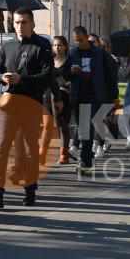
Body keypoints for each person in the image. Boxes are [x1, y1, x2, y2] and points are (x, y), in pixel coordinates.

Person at [0, 8, 52, 209]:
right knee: (2, 146)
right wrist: (1, 77)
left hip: (31, 104)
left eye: (24, 22)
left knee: (30, 147)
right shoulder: (8, 46)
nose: (20, 26)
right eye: (17, 23)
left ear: (32, 23)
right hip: (9, 102)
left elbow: (47, 77)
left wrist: (23, 79)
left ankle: (30, 189)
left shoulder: (42, 47)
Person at [68, 26, 117, 172]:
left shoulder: (99, 53)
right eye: (76, 41)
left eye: (81, 40)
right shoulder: (73, 53)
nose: (79, 43)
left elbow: (111, 72)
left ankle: (85, 161)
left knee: (86, 126)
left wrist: (113, 95)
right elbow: (64, 71)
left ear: (87, 37)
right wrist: (70, 72)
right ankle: (87, 160)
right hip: (79, 94)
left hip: (95, 94)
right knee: (82, 127)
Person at [50, 36, 73, 165]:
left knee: (63, 124)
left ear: (65, 46)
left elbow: (74, 79)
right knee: (54, 125)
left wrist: (66, 83)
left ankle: (64, 153)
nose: (57, 48)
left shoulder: (70, 61)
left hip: (65, 96)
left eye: (59, 45)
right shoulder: (49, 61)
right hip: (50, 96)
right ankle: (58, 149)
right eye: (54, 45)